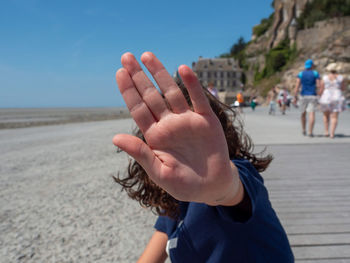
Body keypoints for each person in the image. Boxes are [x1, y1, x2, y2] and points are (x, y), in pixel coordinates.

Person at [113, 52, 294, 263]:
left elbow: (230, 192)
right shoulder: (174, 203)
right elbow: (154, 251)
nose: (183, 155)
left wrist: (219, 190)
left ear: (220, 135)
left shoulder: (240, 175)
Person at [319, 63, 347, 138]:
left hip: (326, 96)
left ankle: (326, 131)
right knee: (334, 117)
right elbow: (343, 88)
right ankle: (332, 133)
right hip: (337, 96)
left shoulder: (325, 77)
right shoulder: (341, 78)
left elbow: (321, 89)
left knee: (325, 115)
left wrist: (319, 96)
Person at [294, 59, 321, 137]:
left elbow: (297, 85)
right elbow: (318, 85)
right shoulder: (315, 73)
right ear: (312, 65)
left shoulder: (301, 74)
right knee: (312, 113)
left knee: (303, 113)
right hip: (313, 95)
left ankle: (303, 129)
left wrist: (295, 96)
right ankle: (310, 132)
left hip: (303, 96)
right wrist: (319, 95)